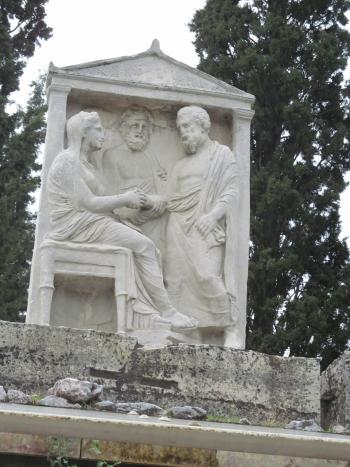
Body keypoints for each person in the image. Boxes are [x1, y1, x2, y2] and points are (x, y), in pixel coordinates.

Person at [47, 110, 196, 331]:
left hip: (93, 221)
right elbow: (89, 203)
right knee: (144, 246)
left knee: (151, 250)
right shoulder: (67, 161)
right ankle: (167, 311)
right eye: (98, 129)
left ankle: (146, 315)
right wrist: (125, 198)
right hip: (77, 225)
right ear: (83, 133)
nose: (103, 133)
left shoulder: (86, 162)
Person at [164, 106, 238, 344]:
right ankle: (189, 332)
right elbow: (168, 199)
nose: (183, 133)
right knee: (175, 279)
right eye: (180, 129)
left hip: (206, 227)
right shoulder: (180, 166)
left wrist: (213, 215)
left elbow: (232, 192)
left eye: (187, 127)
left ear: (203, 126)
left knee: (207, 276)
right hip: (177, 225)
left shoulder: (222, 155)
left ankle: (230, 328)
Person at [102, 106, 166, 248]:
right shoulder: (112, 155)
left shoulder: (150, 157)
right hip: (125, 218)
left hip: (151, 218)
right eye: (135, 126)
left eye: (144, 127)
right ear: (124, 129)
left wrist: (159, 202)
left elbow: (162, 190)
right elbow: (111, 195)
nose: (140, 130)